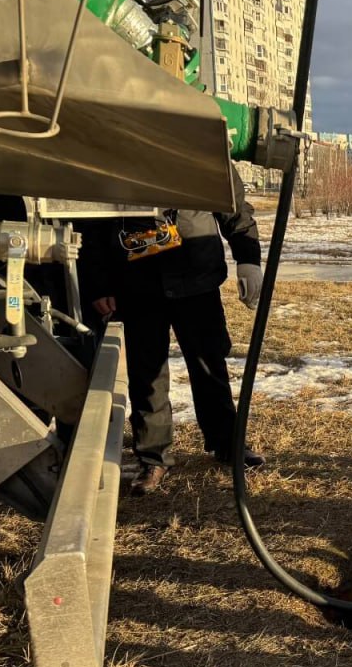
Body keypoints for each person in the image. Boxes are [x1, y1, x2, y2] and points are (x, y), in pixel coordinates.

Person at [82, 166, 266, 496]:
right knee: (145, 372)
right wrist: (98, 284)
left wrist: (248, 258)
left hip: (196, 277)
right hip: (136, 282)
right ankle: (153, 458)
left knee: (210, 365)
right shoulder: (116, 148)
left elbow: (233, 205)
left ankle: (228, 443)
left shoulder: (201, 142)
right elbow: (95, 220)